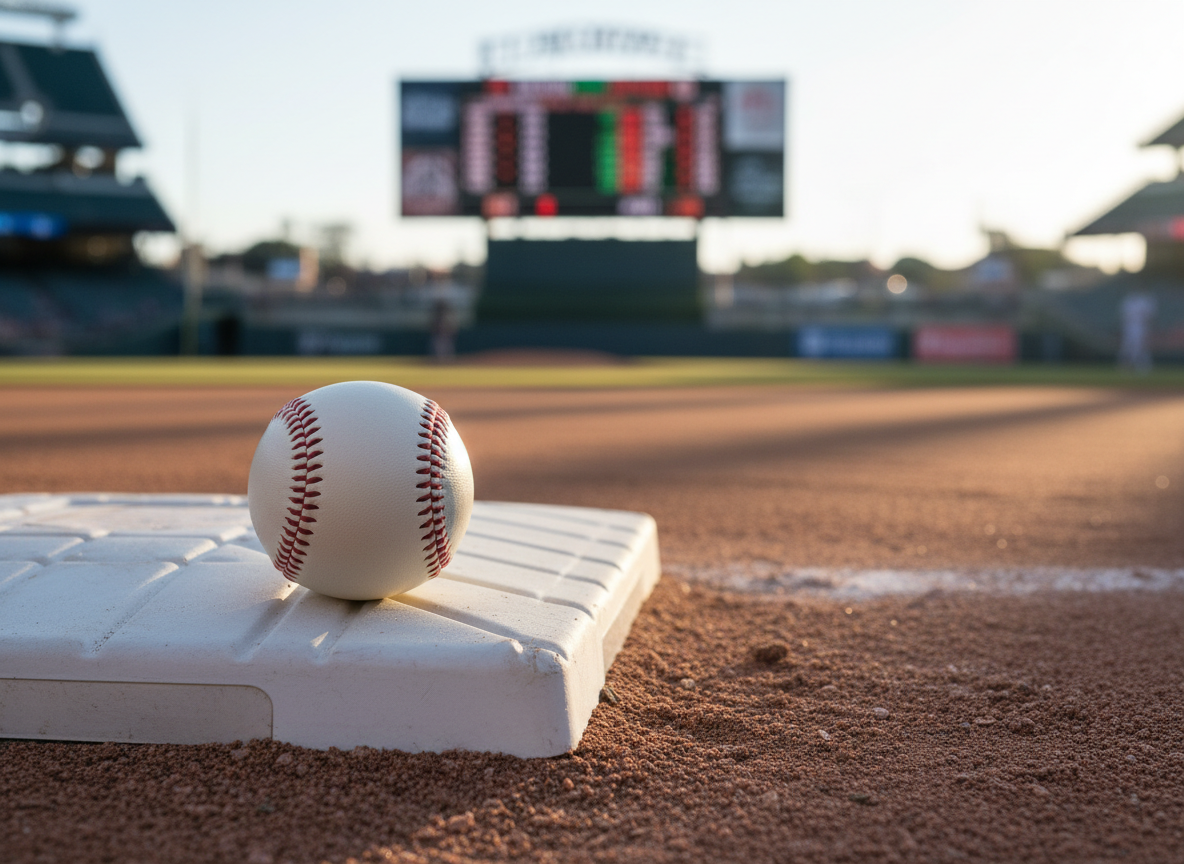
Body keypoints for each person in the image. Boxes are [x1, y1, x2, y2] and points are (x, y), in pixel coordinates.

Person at [1119, 291, 1156, 373]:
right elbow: (1124, 316)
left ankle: (1143, 367)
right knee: (1127, 347)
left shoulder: (1144, 301)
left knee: (1141, 347)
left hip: (1141, 326)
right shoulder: (1128, 301)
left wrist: (1149, 327)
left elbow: (1149, 316)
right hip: (1129, 326)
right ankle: (1126, 366)